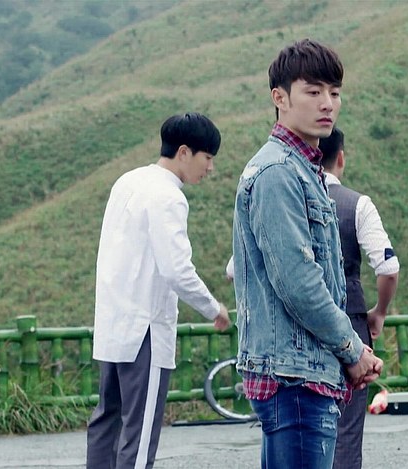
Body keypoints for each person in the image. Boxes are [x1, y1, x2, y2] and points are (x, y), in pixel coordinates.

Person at [232, 39, 383, 469]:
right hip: (294, 375)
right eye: (313, 91)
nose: (327, 103)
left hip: (303, 368)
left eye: (334, 92)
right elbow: (298, 282)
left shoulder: (302, 168)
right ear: (279, 98)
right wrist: (352, 349)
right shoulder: (279, 173)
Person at [87, 112, 232, 469]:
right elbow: (176, 270)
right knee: (139, 433)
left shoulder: (128, 181)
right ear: (184, 152)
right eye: (207, 157)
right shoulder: (169, 196)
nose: (210, 168)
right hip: (145, 331)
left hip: (112, 324)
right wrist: (213, 307)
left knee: (106, 421)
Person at [319, 127, 400, 469]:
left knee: (299, 429)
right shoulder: (357, 204)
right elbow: (389, 267)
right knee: (346, 431)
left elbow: (235, 268)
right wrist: (379, 311)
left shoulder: (284, 198)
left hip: (295, 328)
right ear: (340, 157)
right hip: (350, 322)